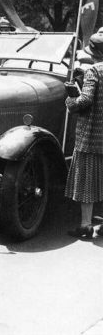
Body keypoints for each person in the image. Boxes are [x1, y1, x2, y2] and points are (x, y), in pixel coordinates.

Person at [64, 32, 103, 239]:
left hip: (90, 136)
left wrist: (71, 102)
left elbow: (85, 100)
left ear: (93, 53)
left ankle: (86, 226)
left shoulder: (93, 72)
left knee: (88, 182)